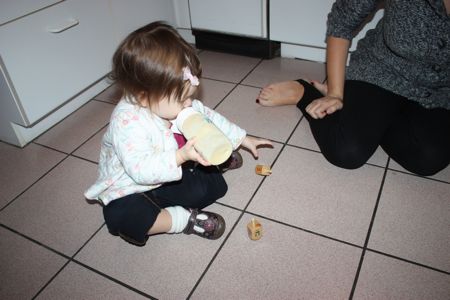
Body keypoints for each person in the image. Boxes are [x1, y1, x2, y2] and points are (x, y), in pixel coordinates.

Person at [84, 21, 272, 246]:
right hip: (132, 185)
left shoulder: (173, 103)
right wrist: (180, 157)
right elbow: (140, 171)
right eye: (182, 98)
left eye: (189, 95)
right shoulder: (127, 122)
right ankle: (182, 220)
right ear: (144, 96)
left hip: (172, 167)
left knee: (214, 188)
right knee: (122, 216)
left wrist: (240, 138)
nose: (190, 102)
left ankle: (215, 157)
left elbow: (209, 118)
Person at [257, 0, 450, 176]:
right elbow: (342, 21)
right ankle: (304, 92)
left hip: (440, 88)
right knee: (347, 150)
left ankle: (363, 108)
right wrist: (335, 93)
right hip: (383, 69)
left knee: (429, 160)